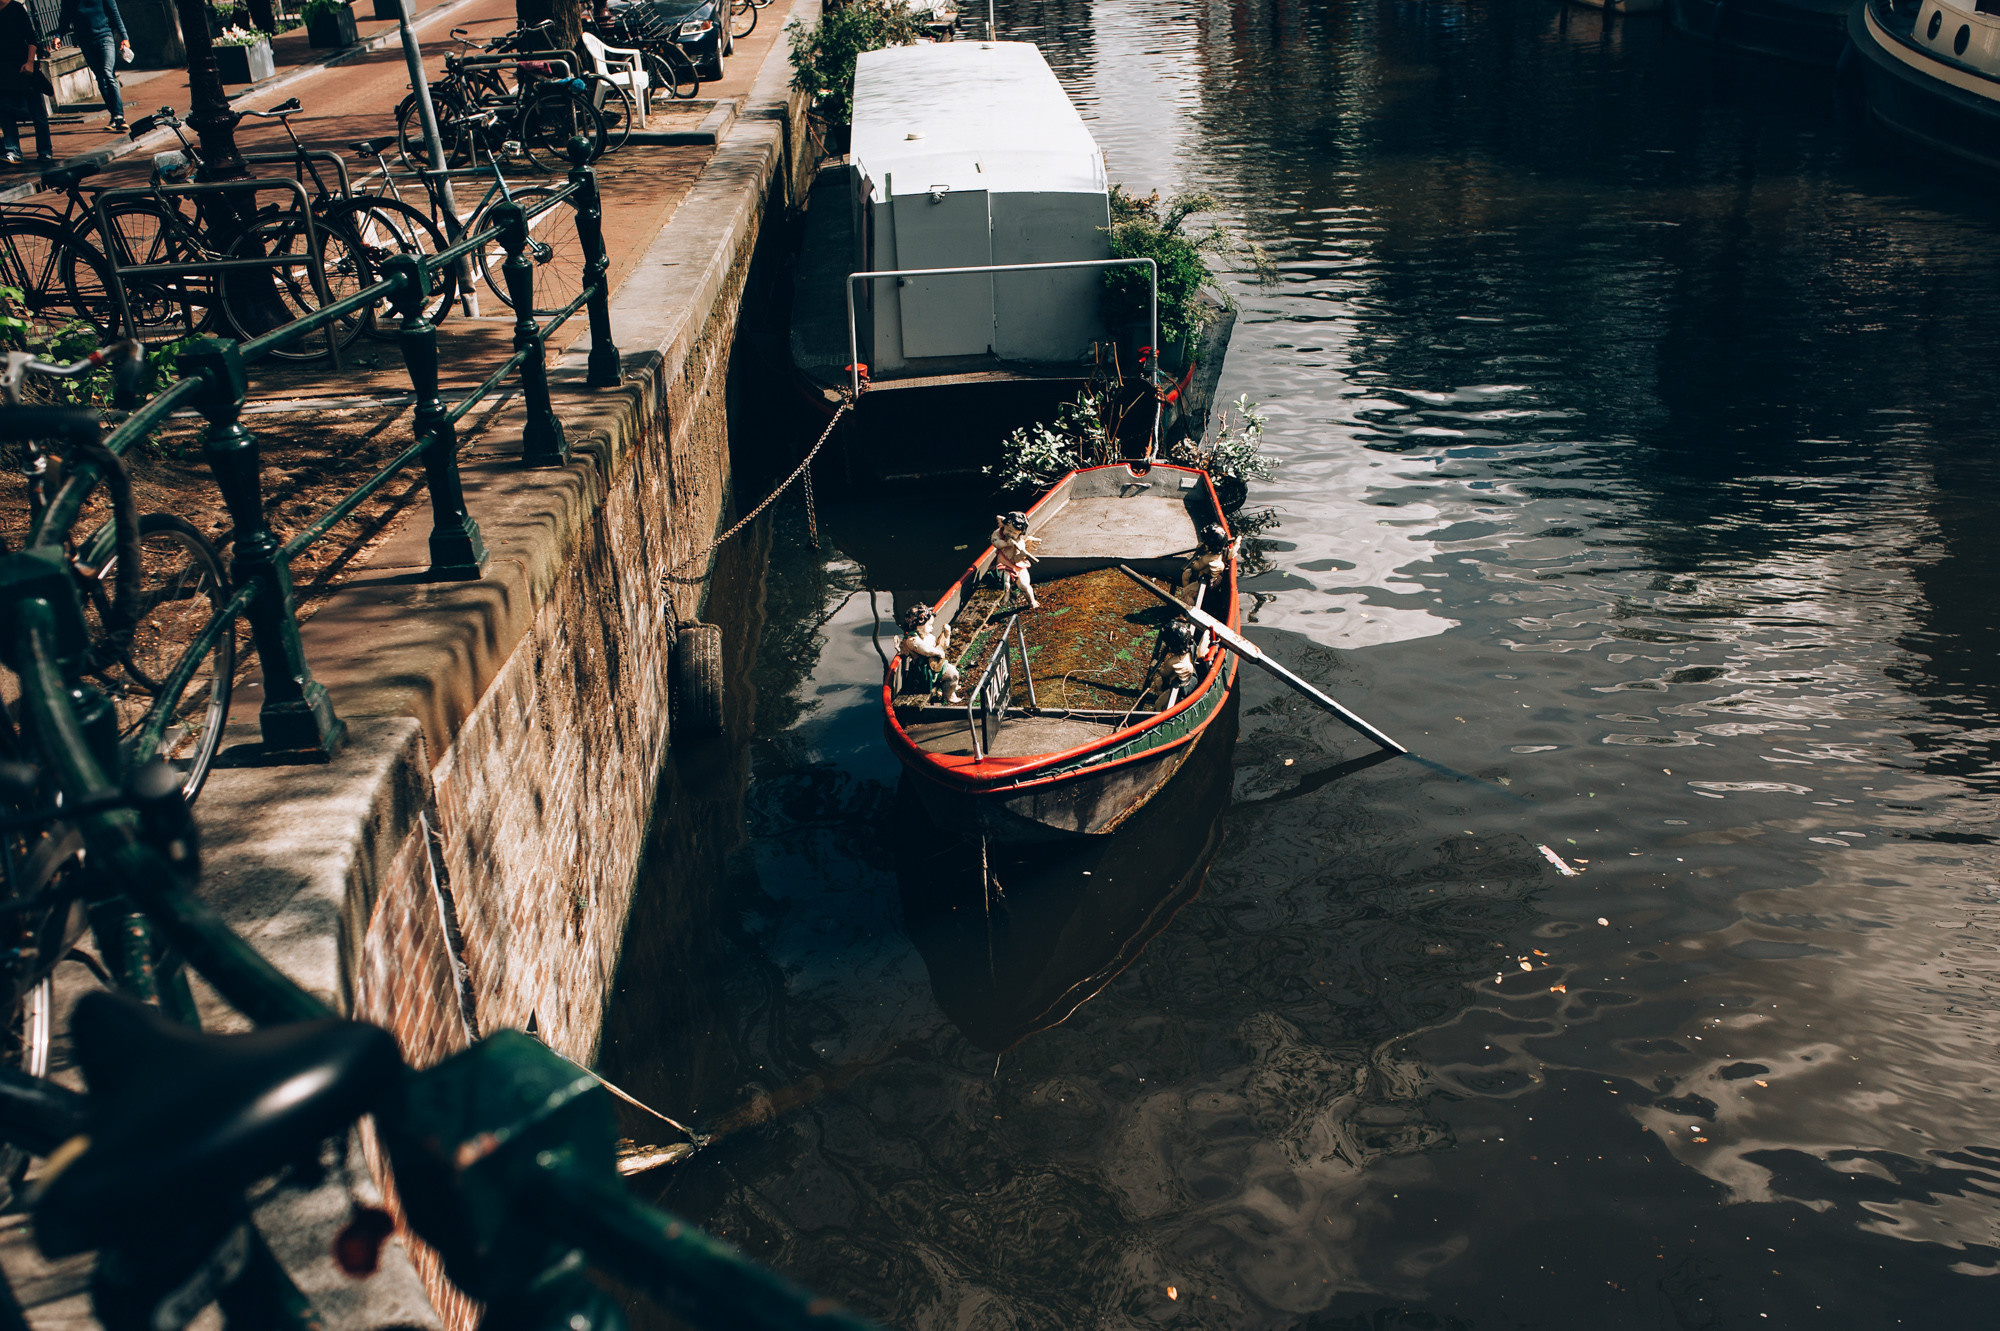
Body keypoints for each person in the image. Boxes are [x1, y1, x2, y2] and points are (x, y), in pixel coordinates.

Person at [52, 0, 129, 132]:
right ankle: (114, 115)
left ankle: (119, 116)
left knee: (107, 73)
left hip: (105, 37)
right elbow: (65, 17)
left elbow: (114, 13)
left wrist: (124, 37)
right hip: (85, 41)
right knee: (100, 78)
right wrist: (59, 36)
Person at [0, 0, 53, 166]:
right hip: (3, 70)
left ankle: (45, 150)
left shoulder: (16, 8)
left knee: (36, 110)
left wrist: (30, 62)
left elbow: (31, 38)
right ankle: (13, 150)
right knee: (5, 112)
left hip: (23, 67)